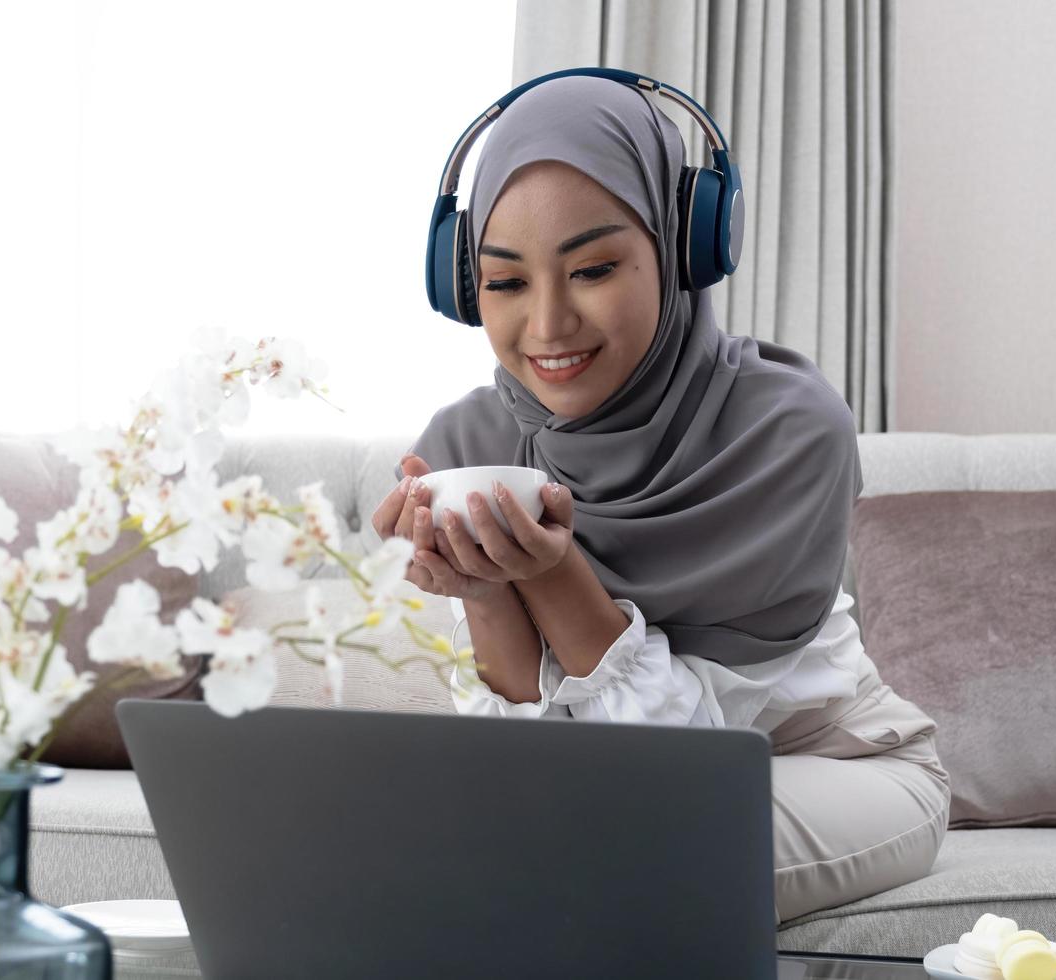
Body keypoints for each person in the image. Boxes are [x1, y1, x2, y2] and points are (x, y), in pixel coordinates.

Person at [371, 74, 950, 924]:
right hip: (607, 797)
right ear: (466, 289)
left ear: (684, 247)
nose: (548, 326)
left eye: (594, 268)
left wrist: (558, 576)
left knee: (631, 856)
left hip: (842, 764)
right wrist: (488, 591)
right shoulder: (467, 449)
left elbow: (673, 772)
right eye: (505, 284)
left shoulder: (785, 430)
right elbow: (527, 762)